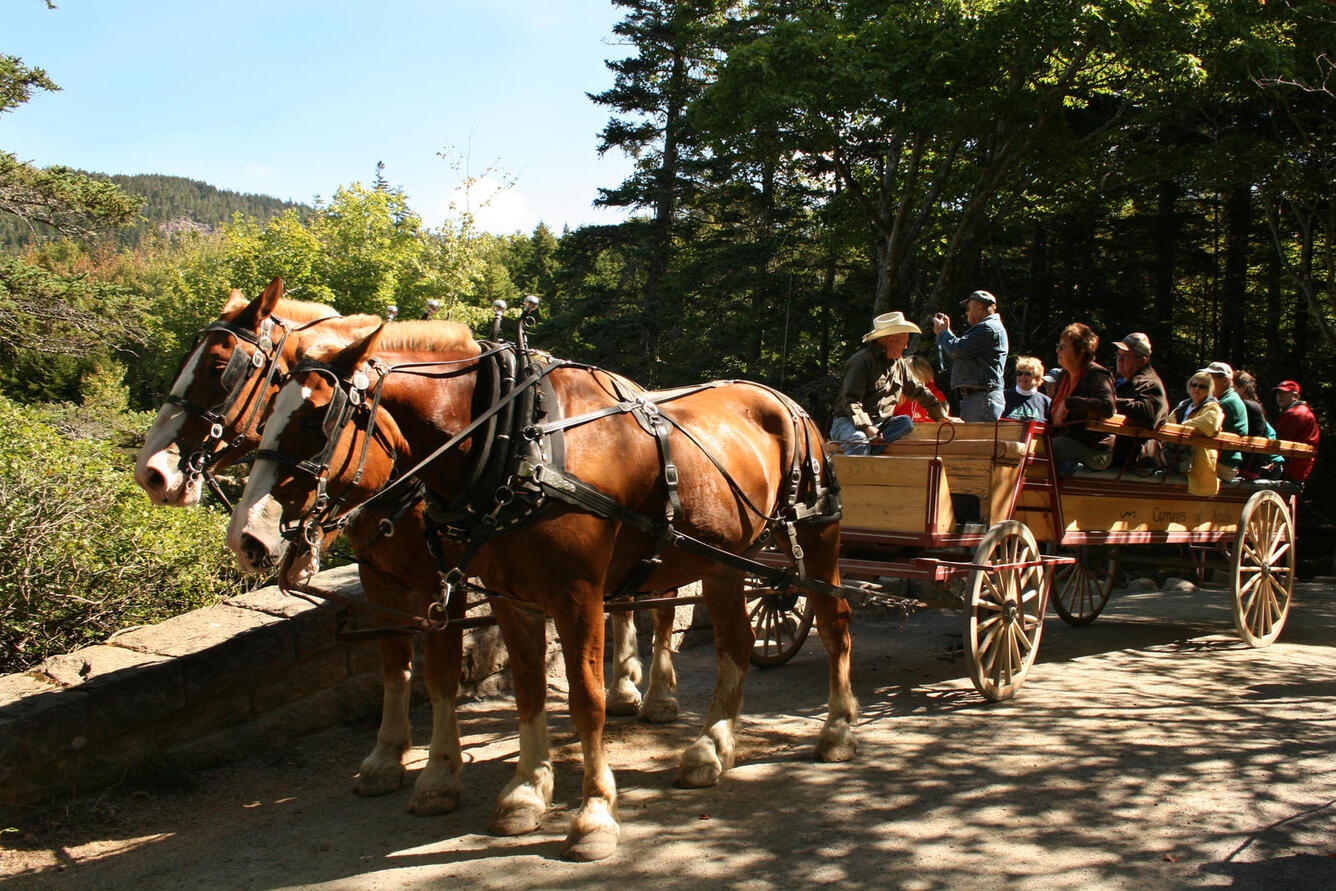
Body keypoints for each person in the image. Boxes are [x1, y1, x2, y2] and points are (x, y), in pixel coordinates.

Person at [830, 311, 950, 455]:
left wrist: (942, 416)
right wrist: (867, 428)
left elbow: (918, 390)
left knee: (905, 423)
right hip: (848, 422)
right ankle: (854, 476)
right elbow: (850, 400)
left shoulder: (899, 363)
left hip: (879, 424)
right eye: (905, 341)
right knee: (859, 439)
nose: (906, 347)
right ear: (891, 340)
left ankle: (870, 454)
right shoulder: (862, 361)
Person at [1047, 322, 1116, 474]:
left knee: (1045, 448)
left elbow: (1108, 406)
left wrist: (1070, 403)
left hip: (1094, 450)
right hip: (1068, 440)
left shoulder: (1096, 374)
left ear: (1081, 351)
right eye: (1058, 345)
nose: (1058, 350)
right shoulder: (1063, 376)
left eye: (1063, 347)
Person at [932, 290, 1009, 421]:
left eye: (968, 308)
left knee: (975, 441)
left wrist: (943, 333)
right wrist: (947, 332)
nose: (966, 313)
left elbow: (957, 349)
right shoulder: (989, 328)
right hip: (978, 399)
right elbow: (961, 353)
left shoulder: (988, 328)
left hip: (981, 399)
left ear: (979, 307)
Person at [1111, 332, 1168, 473]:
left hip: (1135, 458)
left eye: (1125, 356)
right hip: (1117, 452)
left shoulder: (1150, 383)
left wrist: (1109, 402)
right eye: (1118, 355)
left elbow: (1147, 412)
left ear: (1142, 361)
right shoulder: (1121, 380)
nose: (1119, 360)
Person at [1168, 371, 1224, 495]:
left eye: (1202, 386)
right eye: (1194, 385)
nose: (1197, 388)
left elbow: (1209, 424)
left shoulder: (1213, 407)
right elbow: (1168, 423)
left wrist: (1181, 427)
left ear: (1209, 389)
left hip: (1199, 463)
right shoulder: (1183, 406)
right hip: (1177, 457)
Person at [1233, 370, 1282, 480]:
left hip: (1252, 464)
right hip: (1259, 460)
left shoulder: (1246, 406)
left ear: (1243, 388)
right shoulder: (1254, 405)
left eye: (1233, 387)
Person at [1203, 361, 1247, 480]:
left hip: (1223, 465)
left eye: (1212, 377)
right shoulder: (1226, 399)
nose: (1207, 381)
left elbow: (1205, 429)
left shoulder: (1226, 403)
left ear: (1226, 380)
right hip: (1221, 461)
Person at [1272, 380, 1320, 484]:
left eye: (1284, 393)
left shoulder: (1294, 414)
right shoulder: (1302, 411)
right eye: (1278, 393)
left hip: (1291, 470)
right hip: (1299, 469)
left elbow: (1280, 440)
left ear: (1295, 396)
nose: (1279, 396)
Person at [892, 354, 949, 422]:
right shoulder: (899, 393)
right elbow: (885, 417)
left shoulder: (936, 394)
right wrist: (898, 405)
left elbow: (944, 421)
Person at [1002, 355, 1050, 422]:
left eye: (1028, 374)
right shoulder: (1002, 397)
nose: (1022, 377)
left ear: (1037, 378)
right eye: (1019, 373)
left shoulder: (1046, 402)